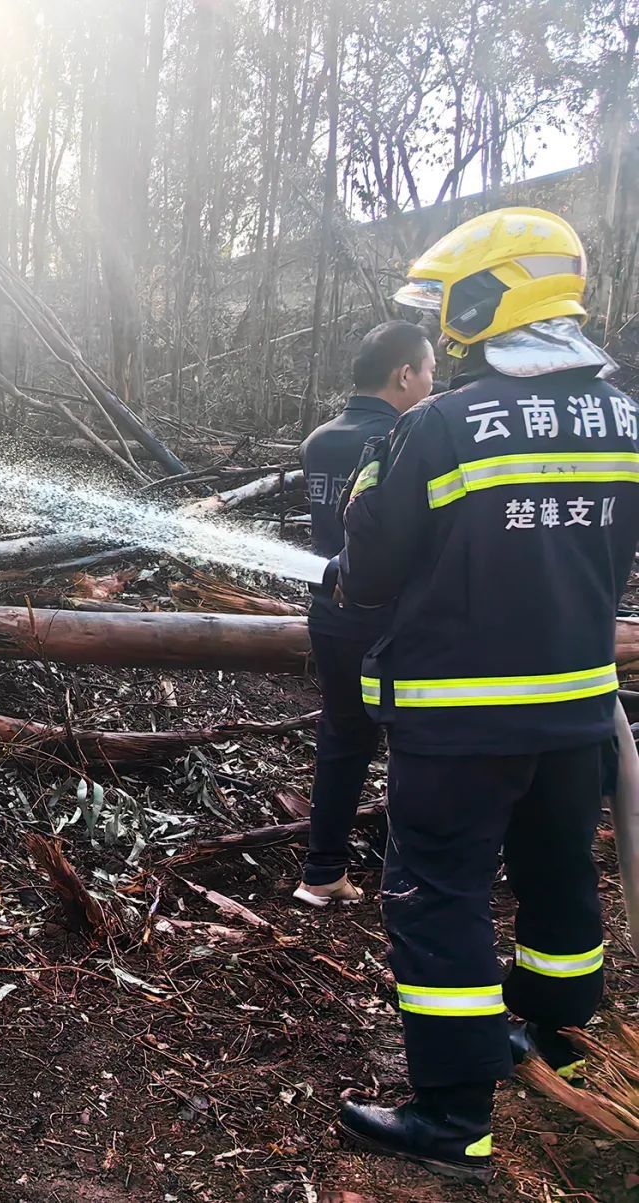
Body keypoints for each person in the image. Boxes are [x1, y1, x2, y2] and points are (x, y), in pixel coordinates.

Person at [334, 207, 639, 1183]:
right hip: (579, 712)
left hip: (457, 720)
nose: (445, 325)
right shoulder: (627, 418)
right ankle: (551, 1043)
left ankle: (454, 1118)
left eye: (452, 304)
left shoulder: (439, 424)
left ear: (486, 297)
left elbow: (370, 567)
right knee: (559, 883)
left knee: (439, 900)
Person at [293, 321, 436, 907]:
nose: (433, 382)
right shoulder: (410, 438)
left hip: (329, 612)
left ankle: (322, 872)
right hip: (394, 619)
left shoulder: (320, 439)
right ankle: (412, 880)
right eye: (429, 370)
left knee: (344, 736)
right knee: (418, 742)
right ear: (404, 374)